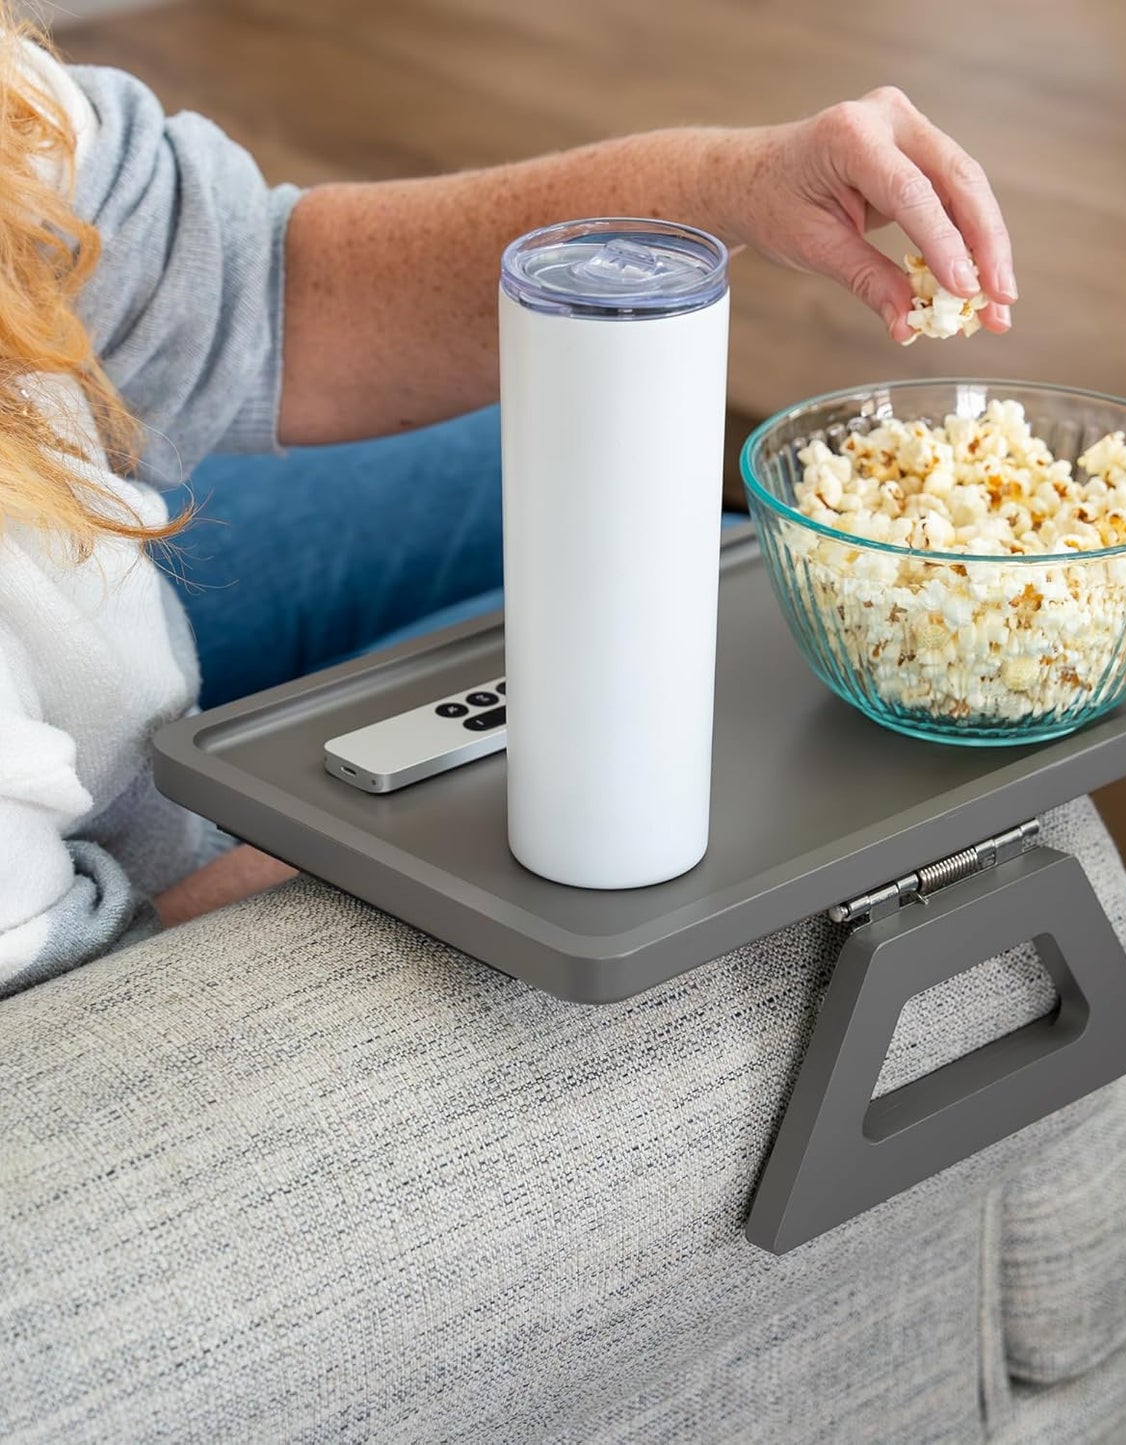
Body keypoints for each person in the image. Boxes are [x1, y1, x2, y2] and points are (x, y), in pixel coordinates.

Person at [0, 8, 1016, 995]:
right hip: (98, 927)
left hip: (65, 599)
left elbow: (244, 285)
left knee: (649, 520)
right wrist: (439, 840)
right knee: (678, 652)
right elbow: (77, 1018)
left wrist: (729, 185)